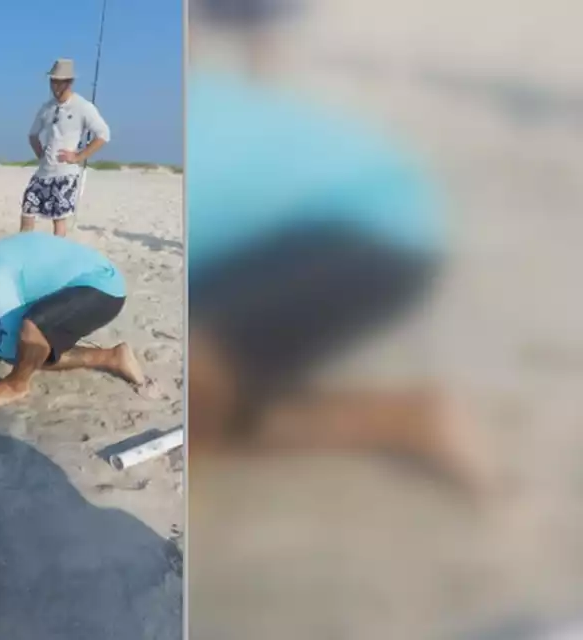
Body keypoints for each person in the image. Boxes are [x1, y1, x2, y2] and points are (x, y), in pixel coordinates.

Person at [186, 2, 489, 495]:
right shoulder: (204, 100)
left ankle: (407, 421)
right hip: (351, 206)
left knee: (204, 388)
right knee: (214, 390)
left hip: (382, 230)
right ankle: (407, 420)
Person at [0, 227, 154, 407]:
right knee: (23, 340)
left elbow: (11, 336)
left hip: (102, 290)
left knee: (27, 342)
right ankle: (114, 357)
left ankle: (17, 385)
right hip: (97, 283)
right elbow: (2, 317)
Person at [22, 58, 111, 237]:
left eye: (59, 81)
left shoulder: (83, 106)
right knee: (27, 210)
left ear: (69, 82)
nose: (54, 85)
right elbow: (32, 135)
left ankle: (57, 257)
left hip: (65, 173)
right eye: (52, 80)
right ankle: (24, 251)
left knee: (59, 219)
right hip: (43, 172)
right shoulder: (46, 108)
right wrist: (41, 155)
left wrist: (78, 156)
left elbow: (103, 135)